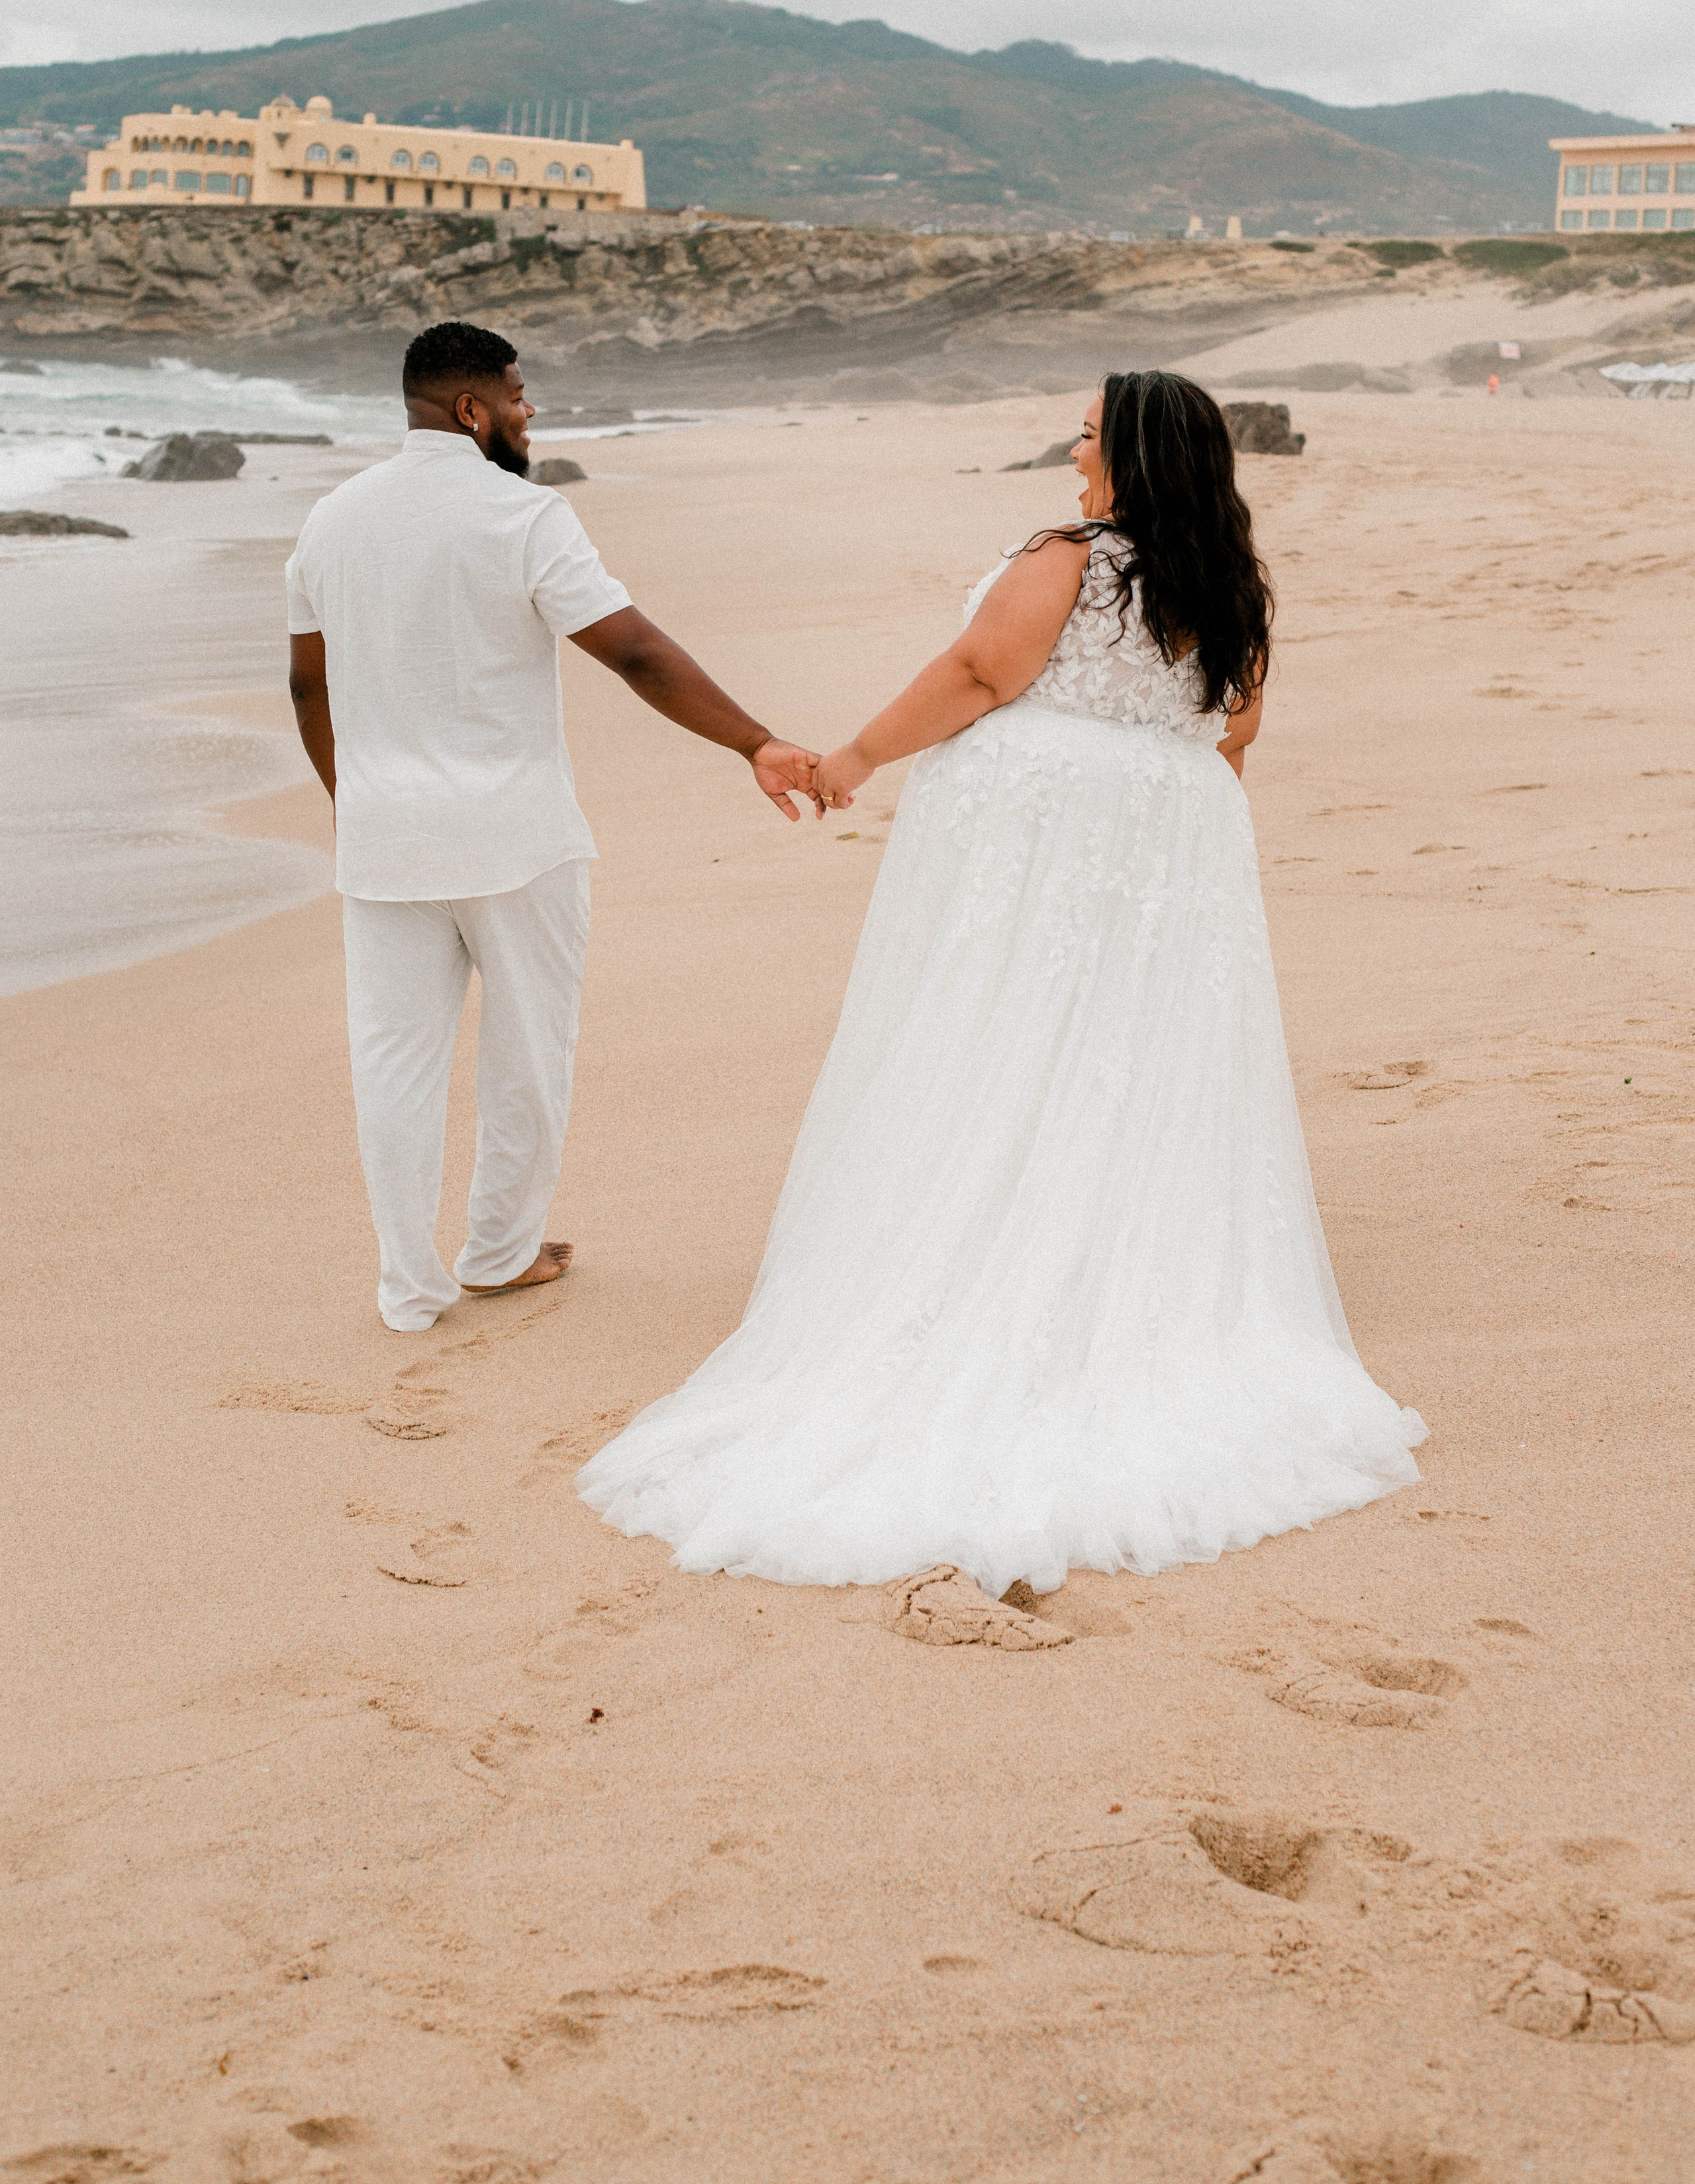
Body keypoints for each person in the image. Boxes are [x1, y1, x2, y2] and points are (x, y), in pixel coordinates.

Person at [579, 370, 1427, 1594]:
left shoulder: (1075, 554)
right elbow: (1231, 739)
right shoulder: (1230, 581)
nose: (1072, 451)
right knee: (1125, 1056)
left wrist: (855, 757)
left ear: (1130, 455)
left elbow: (983, 672)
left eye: (1087, 436)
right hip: (1167, 839)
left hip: (1048, 845)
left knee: (1001, 1038)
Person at [286, 321, 820, 1334]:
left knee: (392, 1067)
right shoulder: (524, 517)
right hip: (513, 838)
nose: (532, 412)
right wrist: (754, 742)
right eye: (520, 396)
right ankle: (498, 1253)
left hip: (385, 841)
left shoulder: (330, 521)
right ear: (473, 409)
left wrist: (356, 806)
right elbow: (639, 656)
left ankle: (407, 1287)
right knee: (528, 1052)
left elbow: (309, 688)